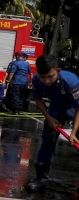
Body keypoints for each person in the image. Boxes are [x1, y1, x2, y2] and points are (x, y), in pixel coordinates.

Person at [25, 55, 79, 192]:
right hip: (56, 108)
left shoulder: (71, 82)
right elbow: (38, 99)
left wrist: (73, 133)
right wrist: (49, 117)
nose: (47, 81)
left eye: (50, 76)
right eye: (43, 77)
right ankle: (41, 178)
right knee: (48, 140)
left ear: (58, 70)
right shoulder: (37, 79)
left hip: (75, 108)